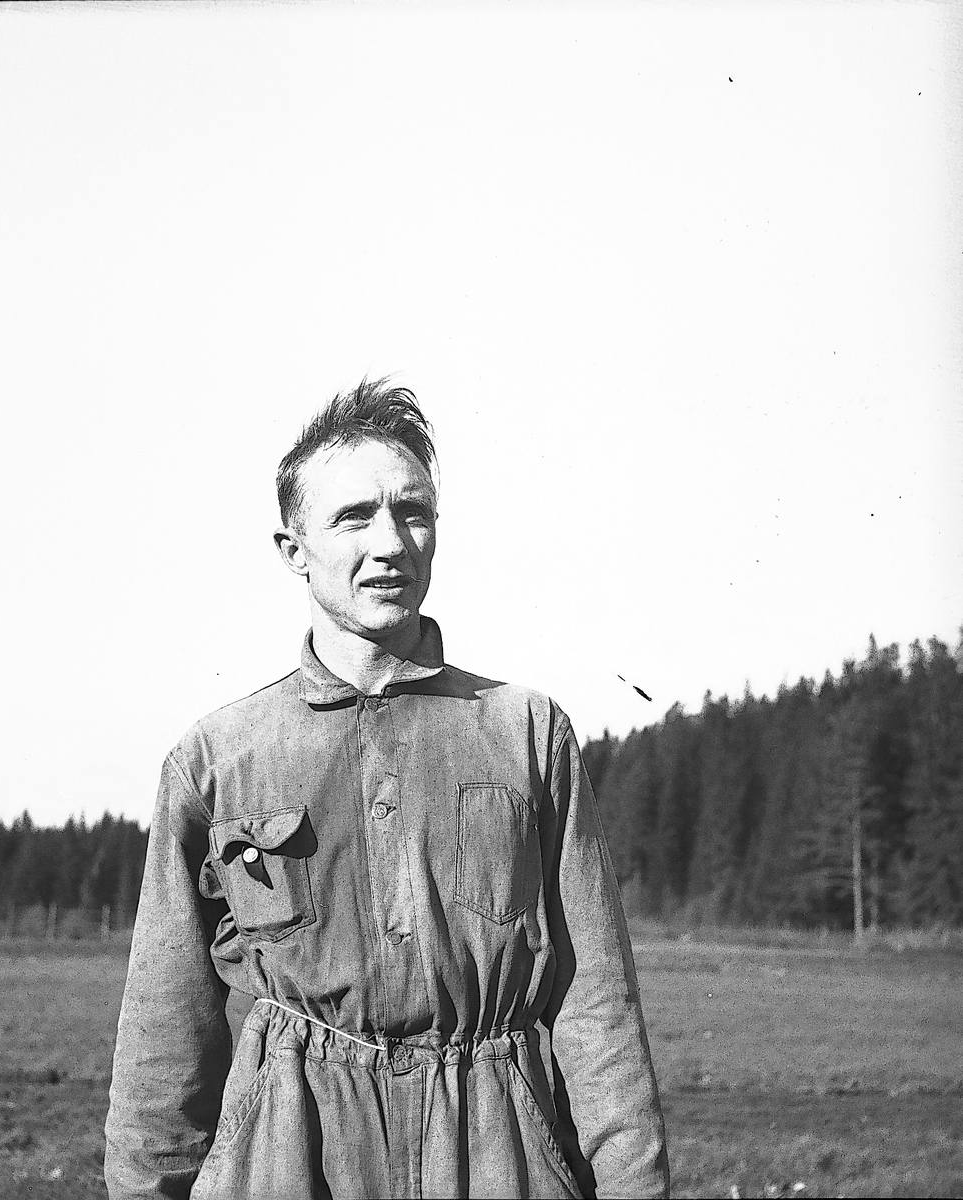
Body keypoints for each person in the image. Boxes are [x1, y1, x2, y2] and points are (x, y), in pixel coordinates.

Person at [104, 379, 669, 1199]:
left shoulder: (526, 732)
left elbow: (598, 1008)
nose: (391, 543)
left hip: (498, 1151)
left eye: (413, 512)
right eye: (354, 517)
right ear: (293, 549)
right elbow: (165, 1036)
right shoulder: (216, 759)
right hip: (288, 1153)